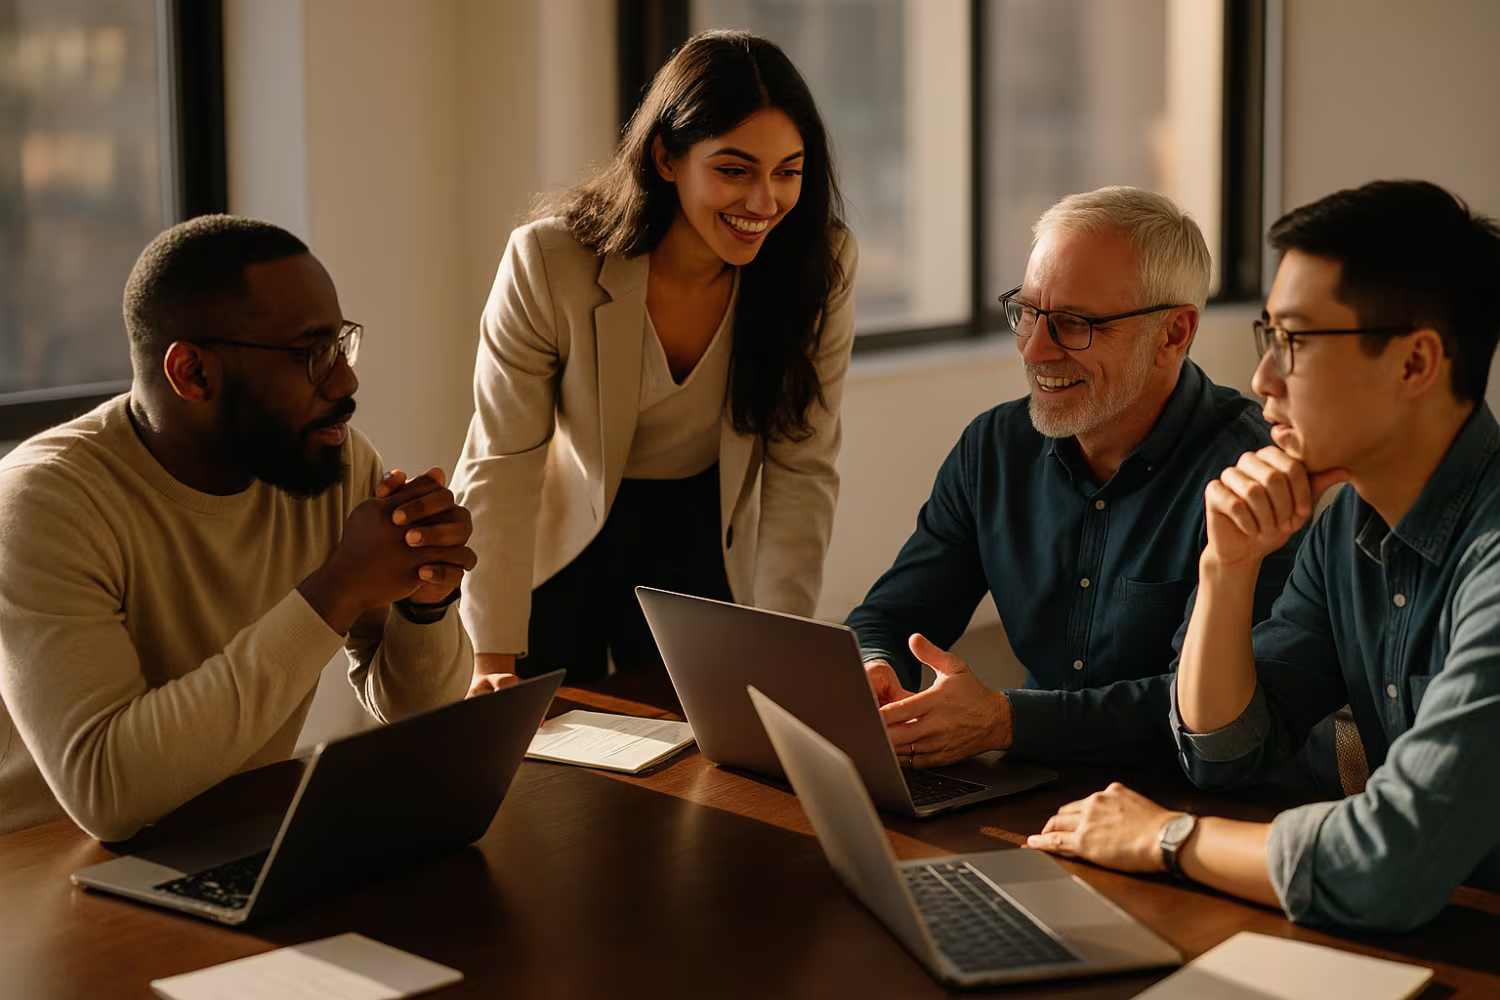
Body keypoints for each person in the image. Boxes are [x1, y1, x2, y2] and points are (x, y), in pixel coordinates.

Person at [1027, 180, 1500, 932]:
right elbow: (1226, 757)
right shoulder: (1346, 520)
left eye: (1297, 343)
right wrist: (1227, 565)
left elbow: (1390, 862)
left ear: (1415, 365)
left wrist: (1163, 836)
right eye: (1267, 337)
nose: (1261, 379)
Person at [0, 216, 475, 842]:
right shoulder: (43, 503)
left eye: (341, 343)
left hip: (234, 840)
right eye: (312, 354)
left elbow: (420, 716)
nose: (345, 380)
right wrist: (334, 592)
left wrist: (426, 606)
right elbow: (107, 795)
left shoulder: (330, 461)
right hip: (48, 875)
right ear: (193, 373)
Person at [454, 30, 856, 691]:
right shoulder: (550, 262)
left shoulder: (821, 266)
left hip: (698, 522)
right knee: (549, 758)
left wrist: (786, 648)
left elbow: (801, 470)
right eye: (734, 170)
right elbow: (503, 459)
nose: (764, 203)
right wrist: (490, 657)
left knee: (704, 750)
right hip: (568, 528)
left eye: (788, 171)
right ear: (666, 157)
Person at [848, 186, 1302, 769]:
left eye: (1073, 324)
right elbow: (889, 616)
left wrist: (1006, 721)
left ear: (1173, 334)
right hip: (1037, 783)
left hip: (1198, 804)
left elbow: (1214, 719)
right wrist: (874, 668)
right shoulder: (993, 450)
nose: (1035, 350)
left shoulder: (1253, 475)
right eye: (1029, 313)